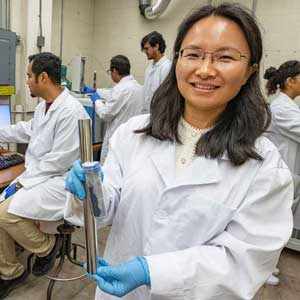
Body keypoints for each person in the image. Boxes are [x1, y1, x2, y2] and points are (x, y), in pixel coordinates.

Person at [66, 3, 293, 300]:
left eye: (225, 57)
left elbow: (244, 261)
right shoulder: (133, 134)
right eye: (194, 54)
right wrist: (89, 192)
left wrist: (153, 272)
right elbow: (107, 206)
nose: (205, 69)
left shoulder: (264, 166)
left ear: (250, 71)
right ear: (178, 61)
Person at [0, 52, 89, 298]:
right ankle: (11, 271)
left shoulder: (72, 112)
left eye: (29, 76)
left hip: (60, 182)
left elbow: (57, 161)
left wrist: (20, 184)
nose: (26, 80)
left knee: (5, 214)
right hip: (40, 176)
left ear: (43, 77)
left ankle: (48, 247)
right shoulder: (44, 108)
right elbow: (26, 130)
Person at [264, 60, 300, 286]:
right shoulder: (282, 108)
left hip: (286, 173)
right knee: (271, 223)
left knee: (276, 221)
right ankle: (262, 268)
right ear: (291, 81)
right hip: (280, 175)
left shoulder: (286, 105)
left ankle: (266, 265)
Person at [89, 55, 143, 165]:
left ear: (114, 70)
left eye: (110, 71)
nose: (111, 75)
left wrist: (96, 101)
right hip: (132, 140)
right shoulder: (138, 87)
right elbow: (113, 94)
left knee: (109, 173)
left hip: (116, 139)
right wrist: (97, 91)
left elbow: (105, 114)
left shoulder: (120, 89)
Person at [141, 31, 171, 113]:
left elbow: (166, 97)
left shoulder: (167, 67)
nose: (145, 52)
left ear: (156, 46)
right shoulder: (149, 68)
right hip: (148, 114)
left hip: (161, 115)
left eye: (147, 48)